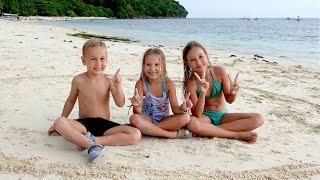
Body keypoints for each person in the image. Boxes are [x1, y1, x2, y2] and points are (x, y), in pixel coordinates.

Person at [48, 39, 141, 163]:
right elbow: (70, 101)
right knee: (59, 122)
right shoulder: (78, 80)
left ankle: (92, 142)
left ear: (106, 60)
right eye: (93, 59)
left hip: (104, 125)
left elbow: (120, 103)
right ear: (83, 61)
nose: (98, 63)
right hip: (83, 125)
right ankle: (89, 144)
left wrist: (118, 85)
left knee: (136, 134)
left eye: (102, 59)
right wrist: (61, 121)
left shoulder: (109, 80)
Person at [182, 41, 264, 143]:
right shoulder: (191, 83)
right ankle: (236, 135)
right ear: (187, 63)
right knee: (192, 123)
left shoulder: (220, 72)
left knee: (258, 118)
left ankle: (210, 131)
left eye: (201, 56)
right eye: (193, 60)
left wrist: (233, 93)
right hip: (205, 118)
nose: (198, 62)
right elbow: (197, 114)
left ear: (206, 56)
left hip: (222, 116)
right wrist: (202, 92)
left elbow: (229, 100)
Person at [129, 48, 193, 139]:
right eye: (148, 64)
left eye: (156, 65)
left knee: (186, 117)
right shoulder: (141, 83)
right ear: (143, 66)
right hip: (147, 119)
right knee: (134, 118)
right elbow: (137, 112)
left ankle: (150, 130)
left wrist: (183, 108)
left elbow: (175, 109)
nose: (152, 68)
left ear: (163, 66)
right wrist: (136, 105)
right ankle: (171, 135)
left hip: (165, 120)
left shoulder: (168, 83)